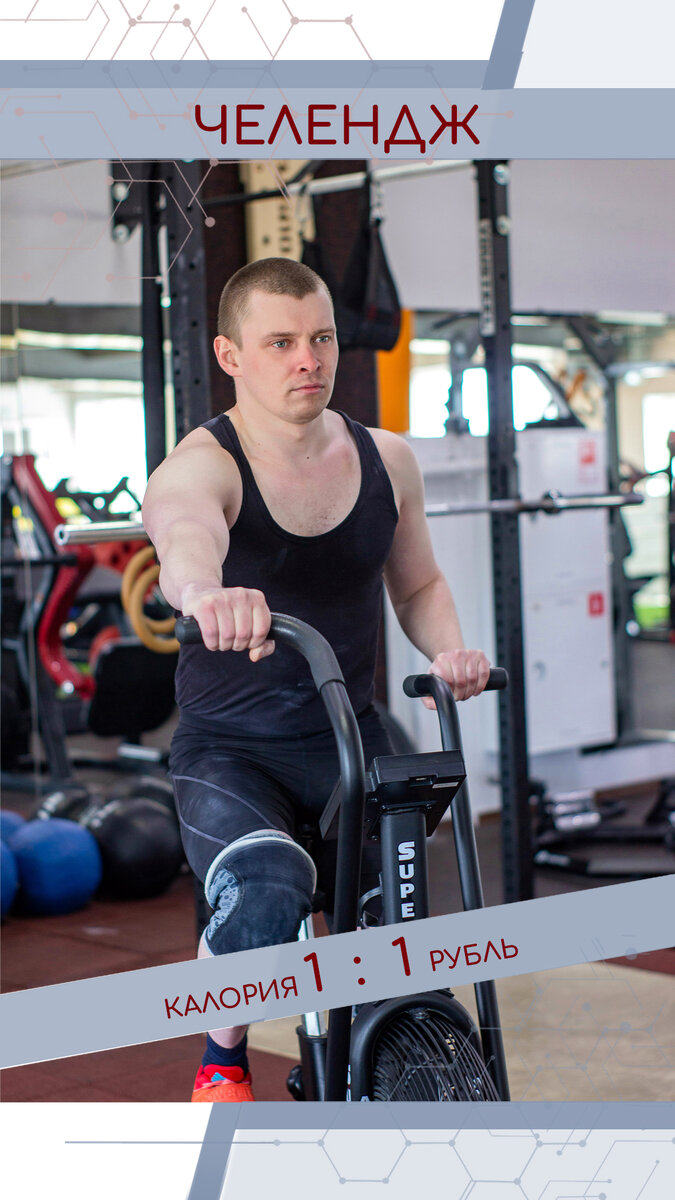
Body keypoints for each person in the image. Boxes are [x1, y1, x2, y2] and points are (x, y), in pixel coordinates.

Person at [142, 257, 491, 1103]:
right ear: (230, 355)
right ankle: (221, 1058)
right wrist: (205, 594)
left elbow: (418, 584)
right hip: (233, 753)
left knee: (395, 921)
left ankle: (379, 1070)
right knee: (268, 891)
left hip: (348, 737)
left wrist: (448, 652)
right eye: (281, 342)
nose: (309, 359)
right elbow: (183, 537)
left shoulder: (387, 459)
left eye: (322, 338)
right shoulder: (203, 465)